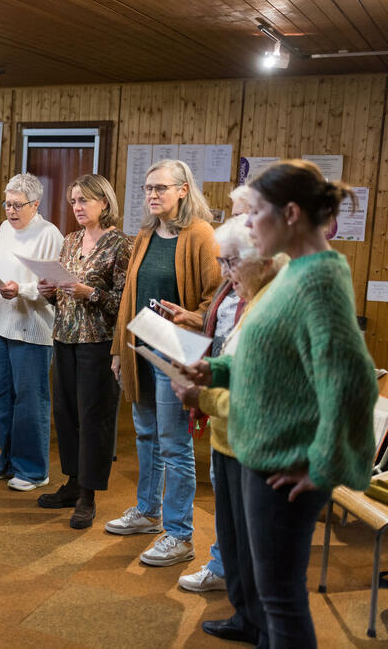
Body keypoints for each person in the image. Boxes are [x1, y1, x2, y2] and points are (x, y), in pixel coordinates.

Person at [181, 160, 377, 647]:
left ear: (290, 214)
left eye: (255, 215)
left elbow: (352, 383)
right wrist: (217, 370)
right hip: (263, 454)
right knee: (272, 599)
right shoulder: (297, 274)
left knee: (282, 604)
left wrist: (323, 466)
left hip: (286, 466)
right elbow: (269, 354)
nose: (246, 226)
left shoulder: (318, 281)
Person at [172, 213, 284, 645]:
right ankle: (245, 616)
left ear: (264, 260)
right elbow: (234, 363)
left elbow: (258, 391)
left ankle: (265, 629)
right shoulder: (253, 296)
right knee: (234, 540)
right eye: (224, 262)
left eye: (233, 262)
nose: (225, 273)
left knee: (259, 552)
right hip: (228, 438)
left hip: (254, 442)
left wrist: (201, 395)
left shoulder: (272, 307)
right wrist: (208, 371)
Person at [106, 159, 221, 567]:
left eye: (161, 188)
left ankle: (179, 534)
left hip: (177, 352)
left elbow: (216, 299)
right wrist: (119, 349)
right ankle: (148, 513)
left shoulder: (201, 235)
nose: (152, 195)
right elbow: (128, 298)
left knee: (174, 445)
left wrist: (188, 316)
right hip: (142, 346)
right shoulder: (145, 234)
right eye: (148, 188)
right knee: (145, 435)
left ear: (183, 190)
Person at [36, 174, 131, 528]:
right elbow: (62, 294)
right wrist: (49, 290)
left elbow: (124, 303)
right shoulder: (70, 239)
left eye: (84, 201)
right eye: (73, 201)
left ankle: (89, 495)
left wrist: (89, 293)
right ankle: (73, 483)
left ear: (104, 203)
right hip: (64, 337)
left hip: (99, 343)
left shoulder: (122, 244)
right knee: (67, 414)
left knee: (94, 419)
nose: (76, 207)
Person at [177, 184, 253, 593]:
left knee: (248, 517)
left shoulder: (269, 292)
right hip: (225, 414)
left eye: (245, 214)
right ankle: (229, 575)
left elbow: (257, 384)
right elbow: (222, 330)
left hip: (249, 427)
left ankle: (238, 584)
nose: (236, 221)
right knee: (227, 506)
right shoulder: (237, 279)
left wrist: (203, 391)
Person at [0, 173, 64, 492]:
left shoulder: (50, 235)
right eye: (7, 204)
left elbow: (54, 286)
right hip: (1, 325)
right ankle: (8, 459)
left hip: (33, 330)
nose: (11, 211)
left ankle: (33, 470)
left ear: (36, 204)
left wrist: (23, 290)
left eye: (17, 206)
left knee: (30, 401)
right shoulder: (4, 229)